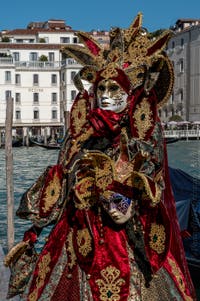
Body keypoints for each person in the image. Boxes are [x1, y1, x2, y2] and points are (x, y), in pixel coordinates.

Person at [4, 13, 196, 301]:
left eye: (114, 89)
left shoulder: (142, 133)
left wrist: (122, 195)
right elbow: (63, 179)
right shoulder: (80, 131)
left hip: (128, 235)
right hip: (80, 232)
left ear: (128, 92)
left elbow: (150, 185)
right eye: (101, 89)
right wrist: (35, 229)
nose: (106, 96)